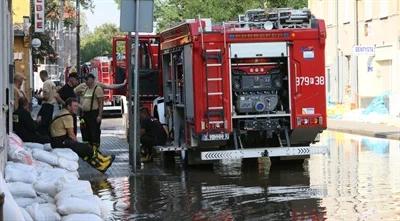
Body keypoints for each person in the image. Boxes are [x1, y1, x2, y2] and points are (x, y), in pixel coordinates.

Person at [50, 98, 115, 173]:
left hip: (57, 141)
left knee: (85, 148)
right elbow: (71, 135)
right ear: (68, 106)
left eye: (77, 106)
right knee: (85, 148)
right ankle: (101, 163)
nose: (76, 108)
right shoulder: (67, 116)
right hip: (60, 142)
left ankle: (102, 161)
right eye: (74, 106)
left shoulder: (61, 112)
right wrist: (78, 144)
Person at [74, 74, 104, 148]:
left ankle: (95, 151)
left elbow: (101, 103)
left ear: (93, 80)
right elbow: (76, 92)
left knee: (94, 133)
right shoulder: (86, 89)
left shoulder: (98, 89)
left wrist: (99, 115)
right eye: (85, 80)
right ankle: (89, 150)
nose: (86, 81)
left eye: (87, 79)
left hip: (93, 114)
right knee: (85, 133)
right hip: (85, 115)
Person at [36, 70, 62, 135]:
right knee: (49, 125)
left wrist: (38, 97)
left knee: (43, 125)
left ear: (41, 76)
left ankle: (44, 139)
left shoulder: (45, 83)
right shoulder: (52, 83)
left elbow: (46, 97)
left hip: (46, 106)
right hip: (52, 106)